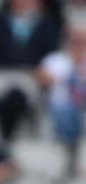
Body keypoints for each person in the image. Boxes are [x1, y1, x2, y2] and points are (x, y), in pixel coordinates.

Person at [38, 24, 86, 169]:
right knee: (64, 110)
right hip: (60, 104)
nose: (79, 45)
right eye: (76, 40)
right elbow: (42, 77)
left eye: (83, 41)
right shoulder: (56, 59)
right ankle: (67, 151)